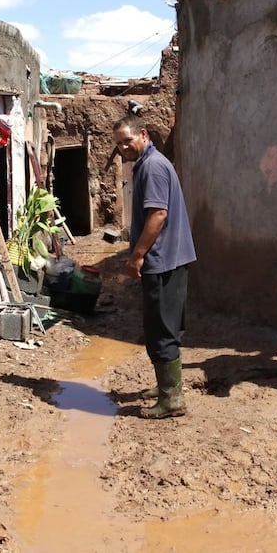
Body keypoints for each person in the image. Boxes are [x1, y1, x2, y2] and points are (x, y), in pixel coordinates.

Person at [113, 115, 197, 418]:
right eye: (119, 143)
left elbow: (158, 214)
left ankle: (172, 399)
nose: (123, 147)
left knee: (162, 327)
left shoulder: (152, 166)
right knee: (162, 324)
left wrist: (137, 255)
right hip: (168, 258)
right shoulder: (151, 163)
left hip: (163, 260)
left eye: (127, 140)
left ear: (143, 135)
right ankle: (166, 387)